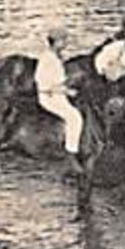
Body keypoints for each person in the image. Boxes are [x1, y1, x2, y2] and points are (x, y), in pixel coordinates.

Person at [34, 27, 83, 156]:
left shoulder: (55, 57)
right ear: (56, 42)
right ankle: (71, 151)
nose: (66, 43)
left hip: (58, 94)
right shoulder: (47, 59)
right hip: (50, 97)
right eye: (63, 40)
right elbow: (43, 84)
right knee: (75, 118)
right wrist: (66, 91)